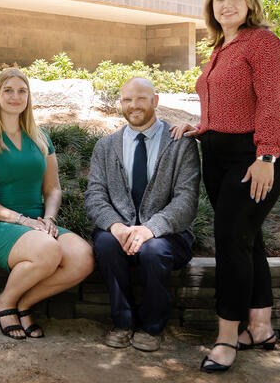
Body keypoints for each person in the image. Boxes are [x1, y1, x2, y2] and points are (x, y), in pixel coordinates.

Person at [170, 0, 280, 373]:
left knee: (228, 239)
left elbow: (270, 102)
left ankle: (227, 338)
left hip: (255, 153)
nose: (227, 4)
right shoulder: (221, 46)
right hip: (218, 151)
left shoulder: (263, 42)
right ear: (211, 6)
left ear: (249, 3)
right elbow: (223, 102)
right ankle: (259, 327)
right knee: (246, 238)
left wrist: (266, 156)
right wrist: (201, 127)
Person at [0, 68, 95, 339]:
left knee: (82, 258)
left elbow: (53, 188)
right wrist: (21, 220)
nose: (16, 96)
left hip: (38, 221)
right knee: (47, 249)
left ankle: (23, 304)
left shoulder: (40, 137)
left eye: (22, 91)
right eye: (8, 90)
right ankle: (4, 302)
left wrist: (49, 218)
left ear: (29, 97)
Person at [85, 77, 200, 352]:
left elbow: (187, 199)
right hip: (120, 231)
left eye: (140, 98)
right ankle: (123, 322)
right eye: (127, 100)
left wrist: (149, 229)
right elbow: (95, 195)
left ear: (155, 101)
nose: (133, 105)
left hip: (168, 235)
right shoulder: (106, 146)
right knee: (104, 244)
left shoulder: (180, 144)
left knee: (152, 251)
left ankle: (152, 326)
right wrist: (116, 226)